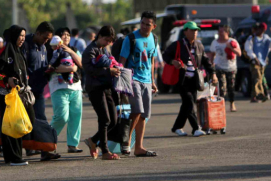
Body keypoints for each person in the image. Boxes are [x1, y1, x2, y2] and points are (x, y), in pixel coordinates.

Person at [0, 25, 34, 166]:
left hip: (19, 95)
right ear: (14, 36)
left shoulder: (20, 52)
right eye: (20, 35)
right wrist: (6, 80)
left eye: (24, 36)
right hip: (6, 94)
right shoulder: (4, 51)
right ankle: (13, 157)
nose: (22, 38)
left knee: (18, 124)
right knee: (11, 126)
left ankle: (14, 156)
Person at [164, 22, 217, 137]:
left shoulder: (199, 45)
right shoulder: (177, 44)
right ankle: (196, 128)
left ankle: (177, 127)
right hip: (182, 79)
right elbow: (165, 55)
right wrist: (172, 61)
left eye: (196, 30)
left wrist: (213, 73)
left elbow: (206, 61)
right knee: (189, 102)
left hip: (195, 80)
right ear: (185, 31)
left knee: (187, 105)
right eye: (192, 30)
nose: (195, 32)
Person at [119, 11, 159, 157]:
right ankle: (126, 142)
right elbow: (122, 61)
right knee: (137, 110)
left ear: (153, 26)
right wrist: (121, 83)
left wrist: (153, 81)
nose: (144, 26)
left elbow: (152, 61)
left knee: (144, 115)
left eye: (147, 24)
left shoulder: (154, 39)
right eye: (142, 23)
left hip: (147, 80)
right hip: (133, 78)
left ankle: (139, 147)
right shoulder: (130, 38)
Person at [22, 21, 60, 161]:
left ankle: (45, 150)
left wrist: (48, 69)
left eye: (48, 39)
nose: (46, 41)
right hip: (25, 91)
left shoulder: (43, 47)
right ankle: (21, 148)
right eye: (45, 37)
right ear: (37, 33)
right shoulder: (25, 45)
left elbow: (43, 65)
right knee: (24, 121)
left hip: (38, 91)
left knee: (41, 119)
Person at [82, 26, 120, 160]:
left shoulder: (104, 50)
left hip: (107, 87)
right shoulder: (89, 51)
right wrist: (108, 71)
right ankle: (105, 151)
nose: (108, 43)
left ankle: (93, 141)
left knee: (114, 121)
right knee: (105, 119)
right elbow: (89, 70)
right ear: (99, 36)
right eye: (106, 40)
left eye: (110, 41)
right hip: (95, 88)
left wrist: (116, 69)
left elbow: (111, 63)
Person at [46, 27, 84, 154]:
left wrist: (71, 52)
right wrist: (71, 69)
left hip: (75, 87)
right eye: (63, 35)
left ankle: (73, 145)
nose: (66, 37)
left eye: (68, 35)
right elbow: (53, 67)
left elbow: (81, 64)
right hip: (58, 87)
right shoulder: (51, 50)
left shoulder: (74, 50)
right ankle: (46, 141)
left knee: (75, 116)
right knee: (61, 117)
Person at [208, 25, 242, 112]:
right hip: (219, 67)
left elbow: (239, 53)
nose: (219, 33)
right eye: (219, 31)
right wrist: (211, 65)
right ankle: (221, 106)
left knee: (231, 87)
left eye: (221, 31)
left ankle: (232, 104)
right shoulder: (215, 42)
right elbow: (212, 54)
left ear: (227, 32)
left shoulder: (232, 41)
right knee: (222, 88)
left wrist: (230, 47)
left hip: (231, 68)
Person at [244, 22, 271, 103]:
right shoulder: (251, 38)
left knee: (259, 78)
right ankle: (259, 94)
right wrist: (254, 58)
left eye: (263, 30)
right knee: (257, 77)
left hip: (263, 62)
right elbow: (248, 49)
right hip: (254, 62)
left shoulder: (265, 38)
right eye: (259, 29)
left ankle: (254, 97)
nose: (260, 31)